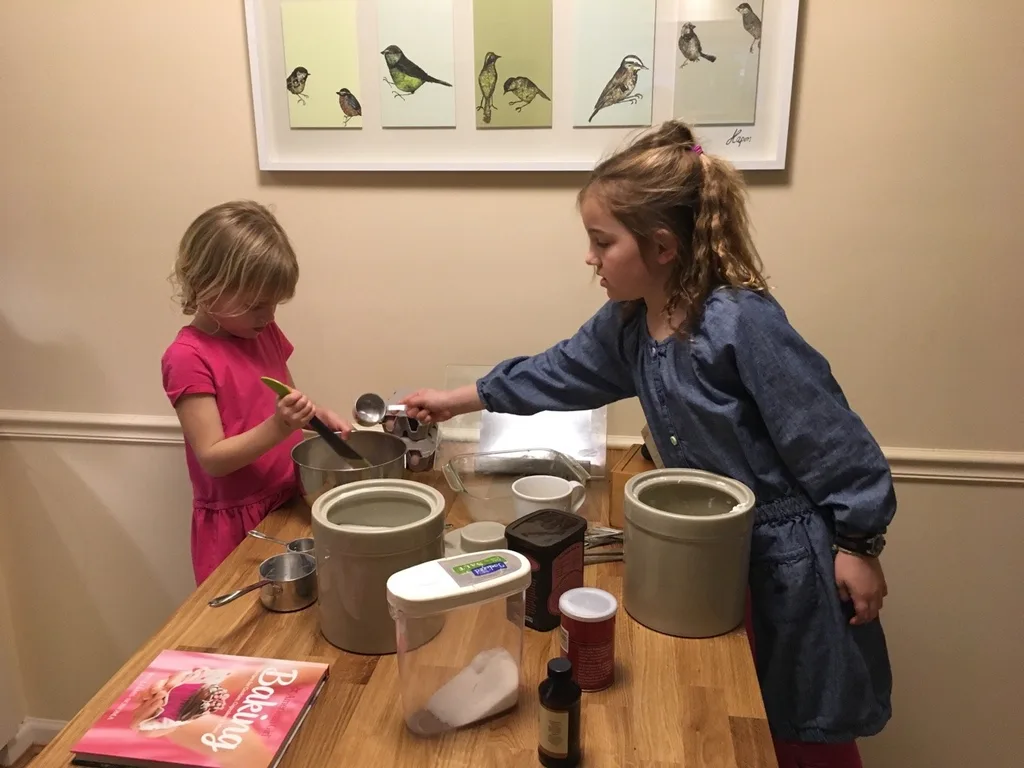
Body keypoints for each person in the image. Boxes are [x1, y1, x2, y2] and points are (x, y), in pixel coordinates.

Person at [401, 121, 894, 768]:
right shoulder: (632, 324)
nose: (590, 257)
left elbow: (831, 438)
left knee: (798, 725)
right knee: (723, 709)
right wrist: (457, 400)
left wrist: (858, 544)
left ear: (661, 246)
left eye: (602, 242)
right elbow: (557, 371)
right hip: (712, 554)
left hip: (787, 567)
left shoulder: (740, 323)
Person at [162, 201, 351, 586]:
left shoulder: (262, 333)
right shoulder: (187, 357)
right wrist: (280, 426)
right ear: (205, 284)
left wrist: (316, 416)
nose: (268, 316)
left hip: (287, 498)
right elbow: (213, 458)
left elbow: (284, 397)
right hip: (237, 523)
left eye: (274, 304)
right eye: (254, 304)